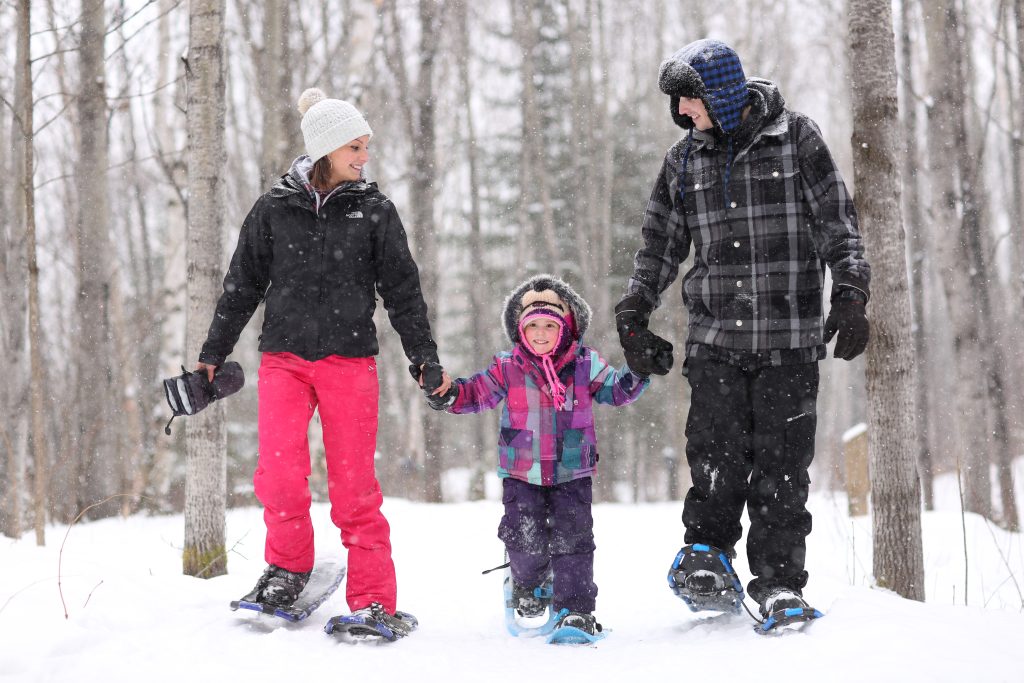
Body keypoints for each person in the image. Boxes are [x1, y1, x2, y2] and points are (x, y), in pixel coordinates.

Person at [615, 39, 870, 624]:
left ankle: (780, 583)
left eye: (690, 101)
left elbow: (838, 222)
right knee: (713, 457)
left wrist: (852, 292)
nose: (683, 113)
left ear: (721, 95)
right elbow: (660, 244)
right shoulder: (684, 161)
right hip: (715, 341)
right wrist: (635, 310)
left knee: (782, 468)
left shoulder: (797, 139)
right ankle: (707, 559)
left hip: (789, 338)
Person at [196, 87, 449, 637]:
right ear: (326, 150)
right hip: (283, 359)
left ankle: (373, 600)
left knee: (355, 488)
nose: (365, 156)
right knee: (280, 476)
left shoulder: (374, 211)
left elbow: (403, 291)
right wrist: (213, 353)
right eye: (355, 147)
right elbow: (241, 286)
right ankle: (287, 568)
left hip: (348, 362)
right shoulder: (274, 208)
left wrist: (423, 357)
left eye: (366, 146)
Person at [425, 275, 649, 637]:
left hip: (572, 471)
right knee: (524, 539)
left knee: (573, 541)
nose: (541, 334)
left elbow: (617, 391)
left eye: (550, 325)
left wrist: (640, 368)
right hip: (521, 472)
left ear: (566, 327)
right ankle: (529, 585)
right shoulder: (507, 366)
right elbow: (475, 394)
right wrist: (448, 393)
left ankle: (575, 609)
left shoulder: (585, 364)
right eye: (533, 326)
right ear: (520, 329)